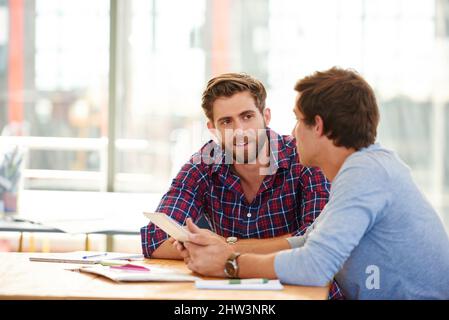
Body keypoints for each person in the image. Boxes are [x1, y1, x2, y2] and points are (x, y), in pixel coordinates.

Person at [176, 67, 449, 299]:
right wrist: (225, 250)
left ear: (317, 126)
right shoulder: (362, 168)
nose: (293, 132)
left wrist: (230, 263)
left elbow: (314, 265)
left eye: (297, 120)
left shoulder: (366, 173)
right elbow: (309, 242)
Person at [140, 73, 343, 299]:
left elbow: (315, 246)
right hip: (234, 296)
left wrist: (224, 250)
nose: (239, 130)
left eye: (247, 116)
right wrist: (215, 252)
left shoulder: (304, 159)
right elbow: (155, 239)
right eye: (226, 122)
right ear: (213, 128)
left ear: (266, 116)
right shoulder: (204, 163)